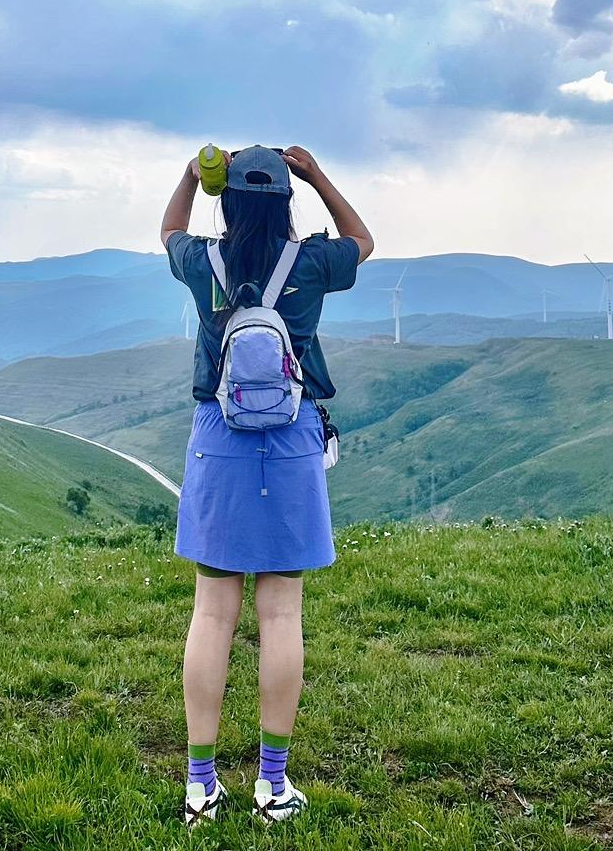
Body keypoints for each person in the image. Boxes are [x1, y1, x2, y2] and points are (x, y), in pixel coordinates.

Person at [160, 144, 373, 828]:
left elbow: (167, 231)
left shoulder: (205, 263)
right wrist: (318, 175)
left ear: (226, 199)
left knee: (212, 613)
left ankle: (201, 786)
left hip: (218, 438)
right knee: (281, 614)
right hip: (291, 436)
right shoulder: (310, 264)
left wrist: (191, 177)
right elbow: (362, 242)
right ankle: (272, 786)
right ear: (285, 199)